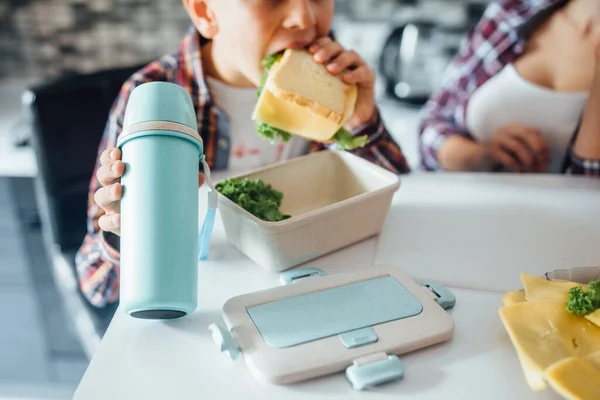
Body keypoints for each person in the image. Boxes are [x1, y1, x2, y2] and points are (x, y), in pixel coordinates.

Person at [75, 0, 411, 308]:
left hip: (319, 294)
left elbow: (402, 196)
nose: (305, 18)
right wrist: (124, 236)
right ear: (206, 12)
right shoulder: (151, 99)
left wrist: (360, 123)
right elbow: (97, 284)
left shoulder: (334, 81)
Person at [418, 0, 600, 175]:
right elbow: (432, 121)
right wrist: (479, 156)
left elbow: (589, 188)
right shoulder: (518, 8)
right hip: (468, 201)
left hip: (566, 207)